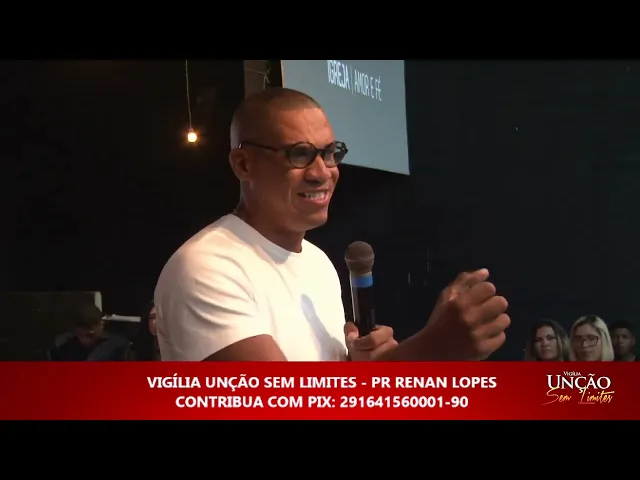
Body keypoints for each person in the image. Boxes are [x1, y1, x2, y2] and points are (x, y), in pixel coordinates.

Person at [154, 87, 510, 362]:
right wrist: (432, 351)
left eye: (330, 153)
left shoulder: (318, 263)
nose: (322, 172)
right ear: (243, 164)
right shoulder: (206, 267)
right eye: (299, 154)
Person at [49, 303, 129, 361]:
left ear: (101, 325)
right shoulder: (61, 344)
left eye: (90, 336)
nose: (85, 340)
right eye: (80, 335)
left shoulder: (117, 345)